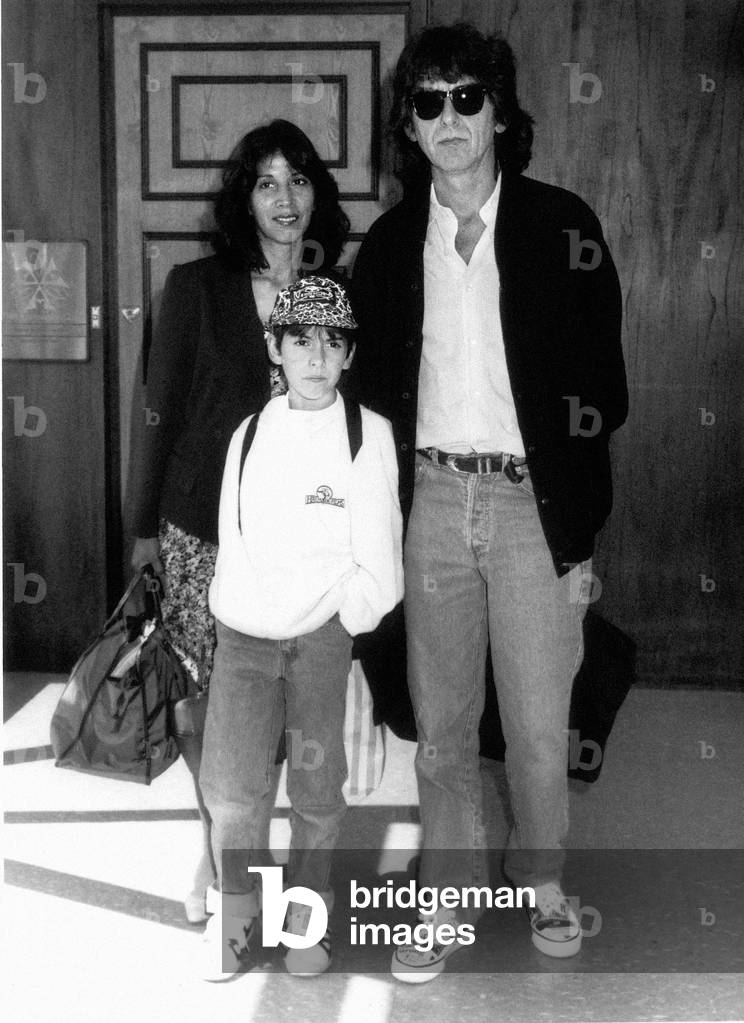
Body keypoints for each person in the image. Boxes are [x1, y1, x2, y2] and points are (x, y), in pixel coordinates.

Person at [350, 23, 628, 982]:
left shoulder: (564, 229)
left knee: (543, 725)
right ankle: (448, 892)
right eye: (429, 102)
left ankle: (543, 879)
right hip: (430, 499)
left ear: (501, 113)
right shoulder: (387, 249)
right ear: (411, 127)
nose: (451, 118)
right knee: (442, 724)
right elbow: (363, 404)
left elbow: (605, 396)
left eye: (468, 97)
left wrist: (577, 537)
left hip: (528, 507)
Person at [128, 119, 350, 923]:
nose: (284, 198)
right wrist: (143, 524)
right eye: (266, 182)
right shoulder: (196, 286)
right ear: (244, 197)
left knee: (283, 711)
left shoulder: (335, 293)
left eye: (298, 180)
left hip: (299, 544)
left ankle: (263, 856)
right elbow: (158, 411)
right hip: (203, 534)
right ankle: (219, 850)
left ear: (316, 193)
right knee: (208, 705)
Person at [198, 275, 404, 979]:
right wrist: (246, 618)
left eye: (332, 342)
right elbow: (234, 538)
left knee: (317, 793)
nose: (316, 356)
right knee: (232, 789)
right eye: (300, 340)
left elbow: (382, 563)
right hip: (245, 641)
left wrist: (339, 620)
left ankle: (307, 918)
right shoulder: (248, 434)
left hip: (321, 640)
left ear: (349, 354)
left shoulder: (367, 435)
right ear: (275, 348)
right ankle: (238, 917)